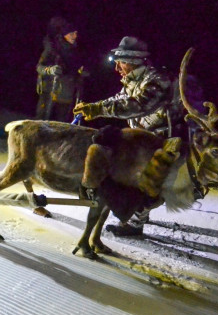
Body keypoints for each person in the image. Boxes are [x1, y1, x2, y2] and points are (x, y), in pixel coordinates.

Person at [72, 36, 182, 236]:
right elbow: (120, 98)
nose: (117, 69)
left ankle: (134, 224)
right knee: (137, 180)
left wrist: (98, 109)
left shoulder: (158, 80)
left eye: (119, 63)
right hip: (143, 139)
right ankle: (139, 214)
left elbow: (137, 106)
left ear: (133, 62)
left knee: (147, 182)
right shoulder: (135, 80)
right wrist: (93, 107)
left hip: (162, 139)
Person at [35, 16, 87, 122]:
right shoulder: (53, 49)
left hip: (66, 94)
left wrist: (81, 73)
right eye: (71, 33)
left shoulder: (76, 52)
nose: (75, 36)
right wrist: (50, 70)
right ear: (64, 35)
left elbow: (76, 70)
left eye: (76, 33)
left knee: (61, 124)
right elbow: (39, 67)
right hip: (50, 91)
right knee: (42, 121)